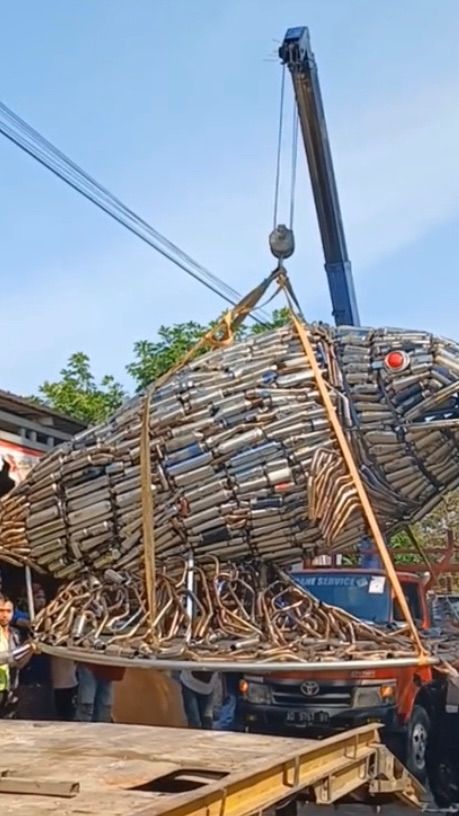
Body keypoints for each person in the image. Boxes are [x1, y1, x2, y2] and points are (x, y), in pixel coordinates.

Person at [15, 583, 54, 720]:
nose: (41, 600)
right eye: (37, 597)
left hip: (45, 678)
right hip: (27, 679)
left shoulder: (49, 617)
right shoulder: (22, 620)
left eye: (43, 597)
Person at [0, 594, 22, 718]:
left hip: (10, 691)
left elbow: (19, 663)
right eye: (1, 611)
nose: (4, 615)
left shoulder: (15, 634)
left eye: (8, 611)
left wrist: (30, 650)